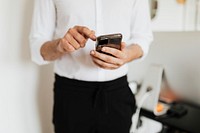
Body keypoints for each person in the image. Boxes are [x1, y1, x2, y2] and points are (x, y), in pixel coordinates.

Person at [29, 0, 153, 133]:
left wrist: (127, 54)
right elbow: (37, 49)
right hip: (70, 97)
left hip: (117, 95)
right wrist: (60, 46)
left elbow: (143, 37)